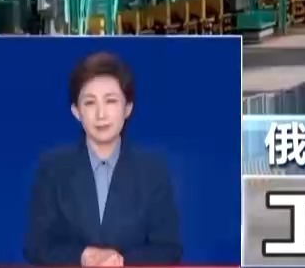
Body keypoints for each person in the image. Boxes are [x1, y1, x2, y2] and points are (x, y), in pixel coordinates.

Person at [23, 51, 184, 267]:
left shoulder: (153, 170)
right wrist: (83, 256)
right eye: (90, 103)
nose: (101, 114)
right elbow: (36, 247)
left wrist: (120, 261)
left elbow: (169, 248)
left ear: (128, 108)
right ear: (76, 111)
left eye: (110, 101)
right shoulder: (52, 168)